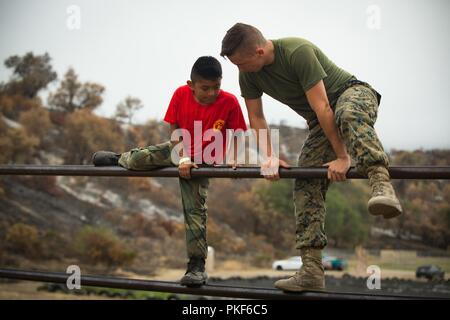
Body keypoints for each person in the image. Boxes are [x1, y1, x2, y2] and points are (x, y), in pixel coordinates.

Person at [220, 23, 403, 292]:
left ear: (259, 52)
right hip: (321, 121)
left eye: (242, 64)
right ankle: (311, 271)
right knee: (305, 180)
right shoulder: (248, 75)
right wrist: (269, 157)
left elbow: (323, 105)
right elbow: (256, 118)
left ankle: (381, 184)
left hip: (351, 95)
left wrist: (343, 157)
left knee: (348, 114)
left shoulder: (297, 51)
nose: (240, 70)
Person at [92, 56, 247, 287]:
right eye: (205, 88)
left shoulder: (230, 102)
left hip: (205, 160)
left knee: (194, 210)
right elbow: (173, 128)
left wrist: (235, 157)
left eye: (217, 87)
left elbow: (238, 133)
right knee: (138, 160)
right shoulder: (180, 95)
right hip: (179, 148)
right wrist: (182, 156)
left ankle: (196, 266)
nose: (212, 93)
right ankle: (119, 158)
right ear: (191, 84)